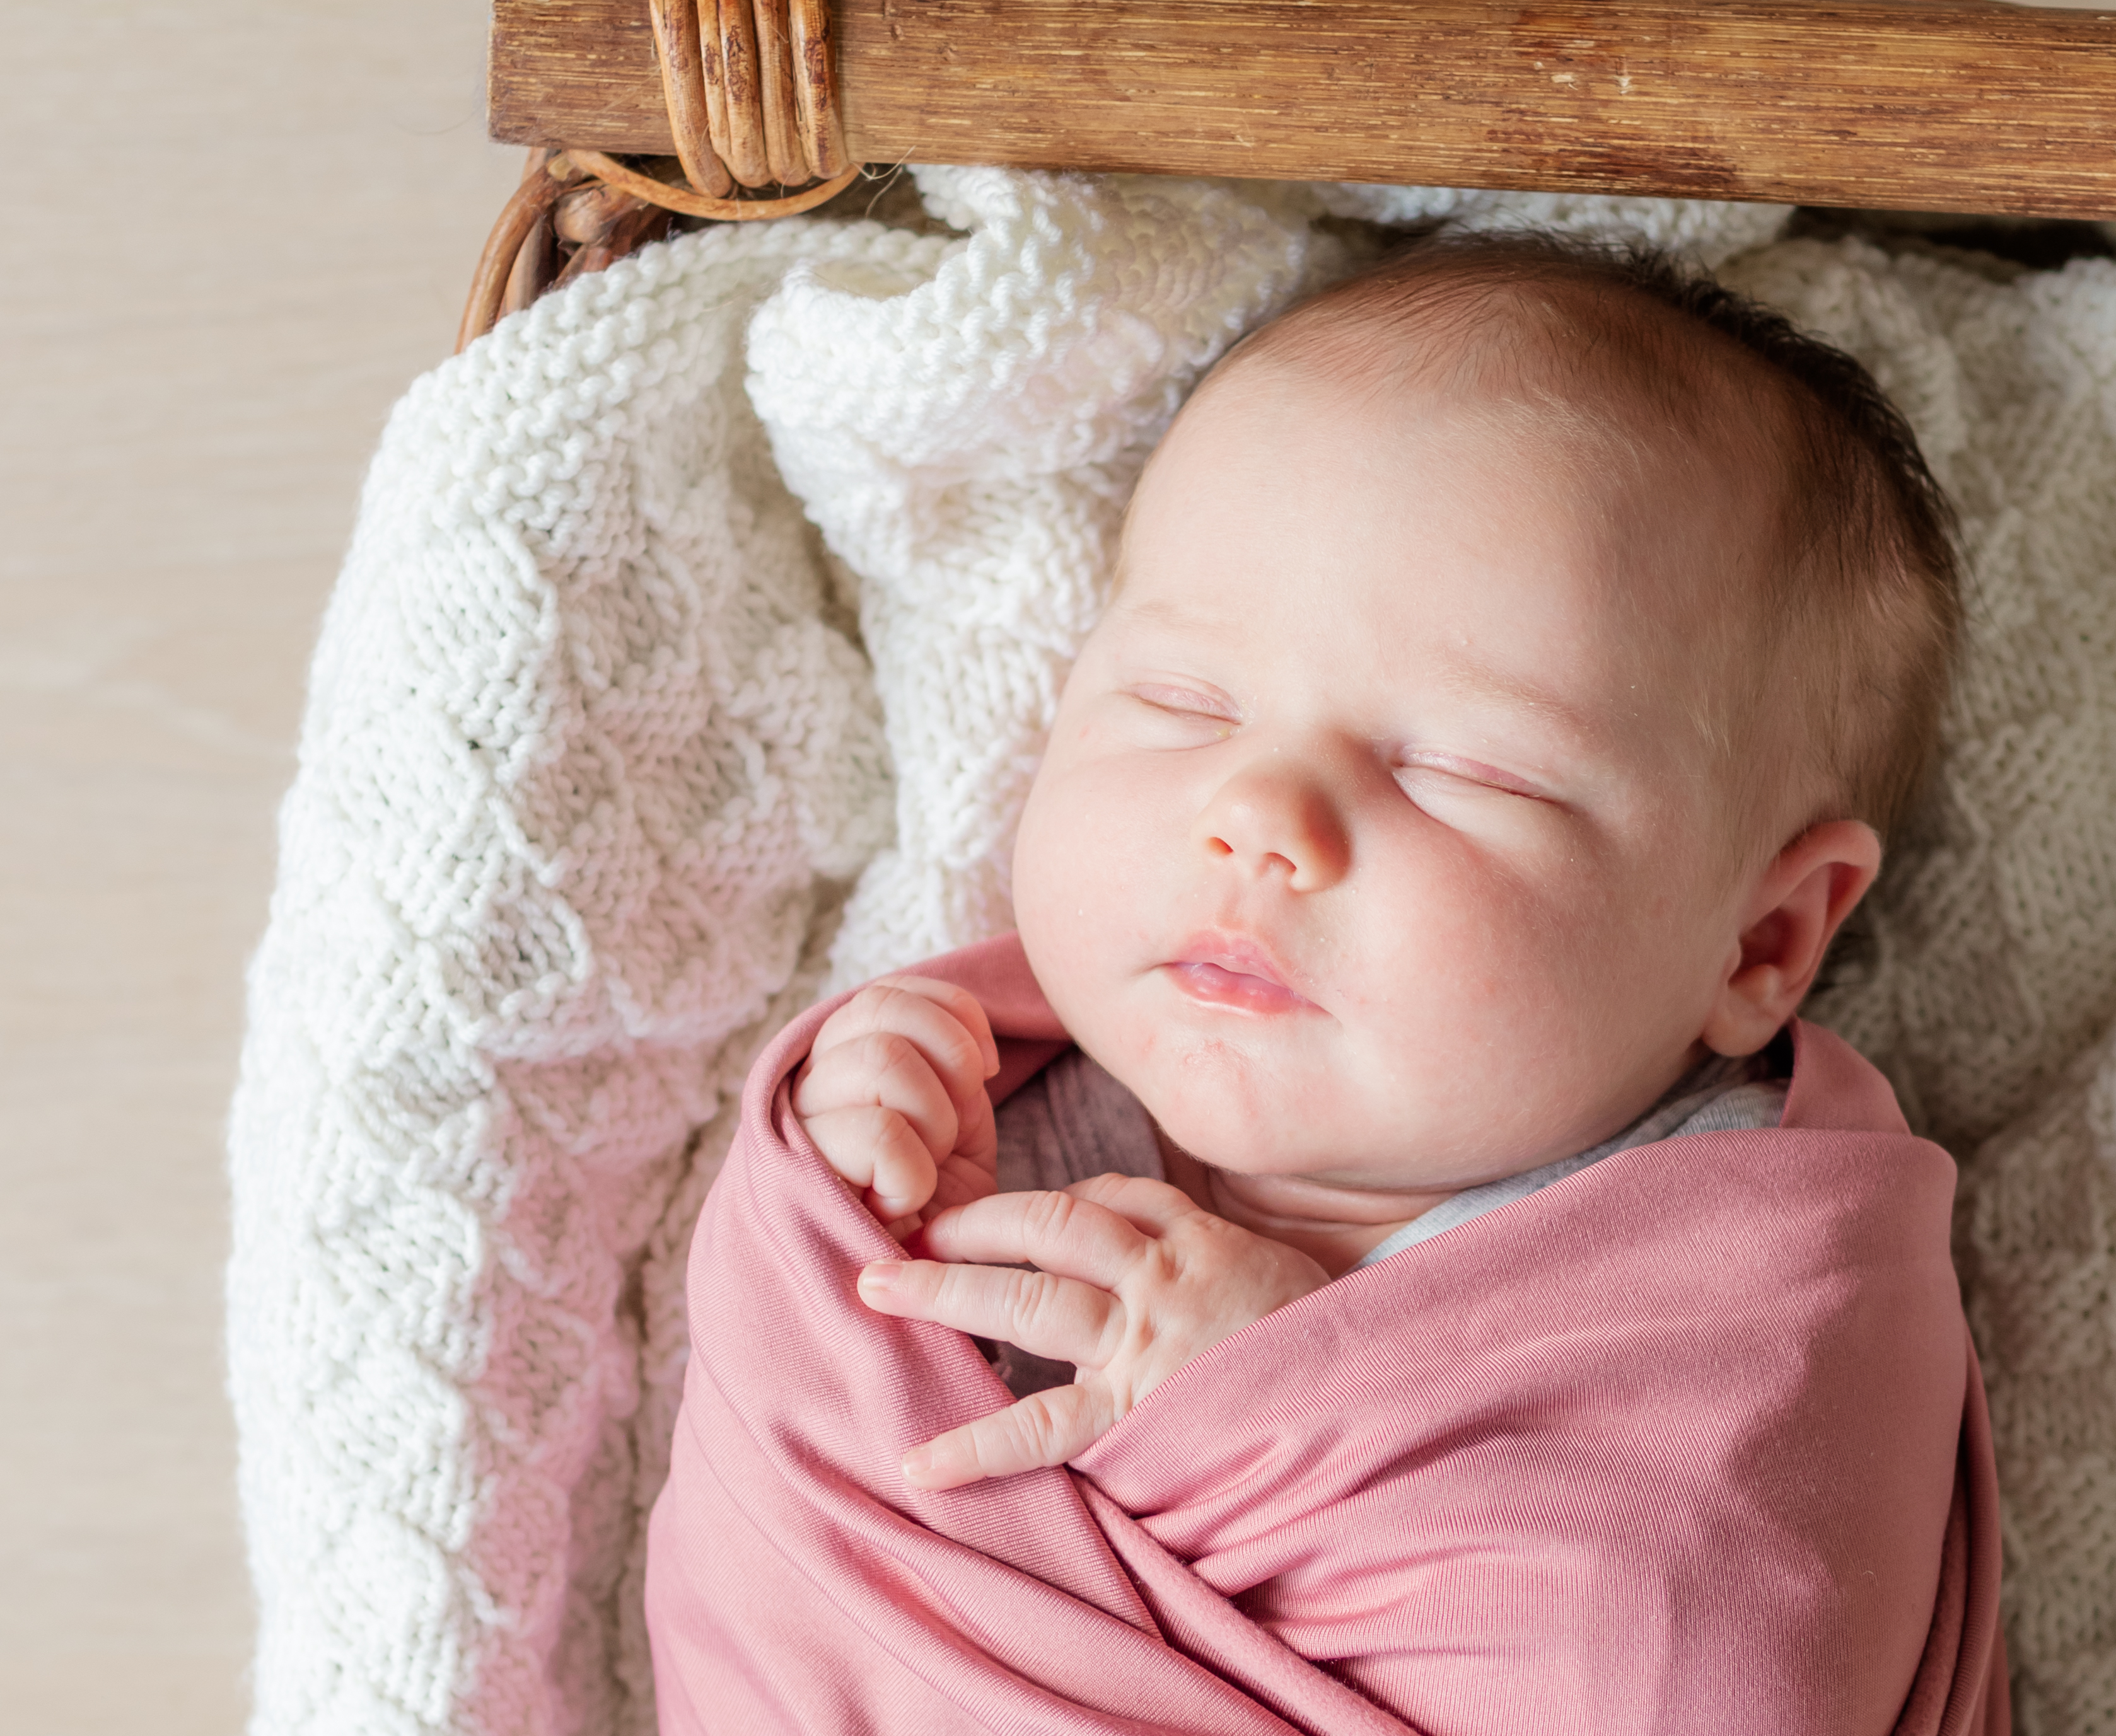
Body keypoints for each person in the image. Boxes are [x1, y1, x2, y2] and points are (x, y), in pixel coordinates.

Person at [646, 233, 2005, 1736]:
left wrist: (1270, 1422)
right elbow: (809, 1503)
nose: (1258, 816)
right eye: (1182, 702)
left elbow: (1709, 1670)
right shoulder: (990, 1099)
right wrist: (843, 1196)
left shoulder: (1756, 1299)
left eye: (1463, 770)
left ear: (1759, 943)